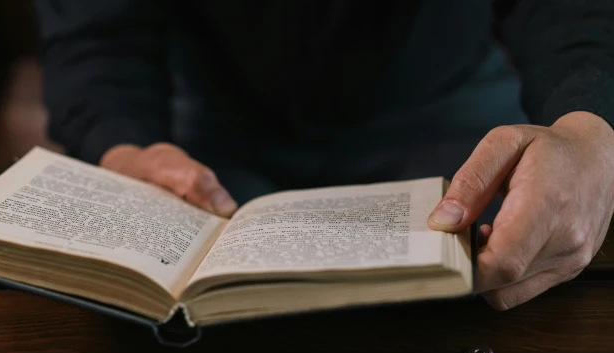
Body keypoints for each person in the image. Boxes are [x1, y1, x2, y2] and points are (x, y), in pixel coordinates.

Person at [33, 1, 614, 310]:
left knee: (512, 279)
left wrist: (588, 120)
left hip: (445, 101)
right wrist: (120, 142)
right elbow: (99, 30)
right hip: (209, 132)